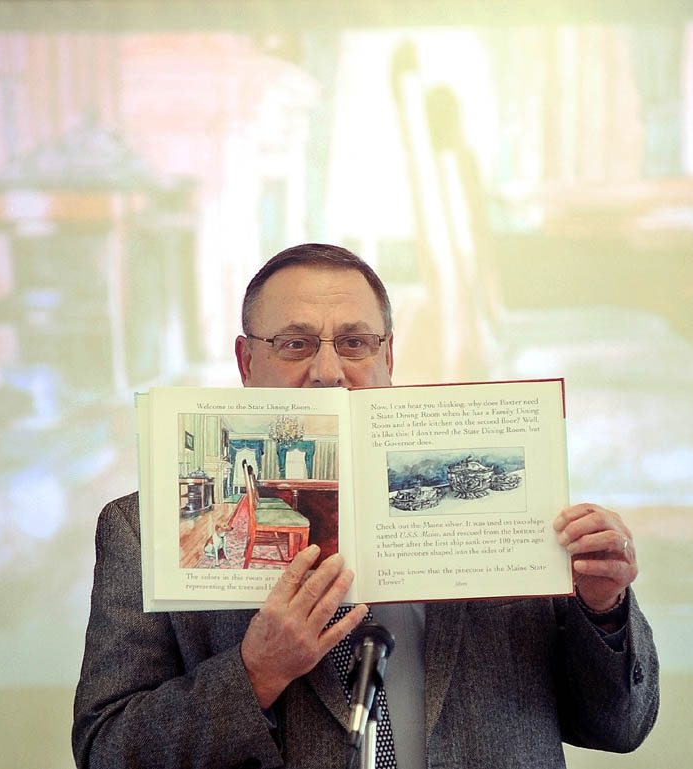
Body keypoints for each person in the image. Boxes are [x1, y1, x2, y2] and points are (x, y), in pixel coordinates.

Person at [73, 244, 659, 769]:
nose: (328, 373)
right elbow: (107, 750)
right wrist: (255, 674)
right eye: (295, 344)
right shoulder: (141, 530)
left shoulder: (519, 509)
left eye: (354, 343)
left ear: (388, 358)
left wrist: (603, 609)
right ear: (246, 363)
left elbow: (619, 726)